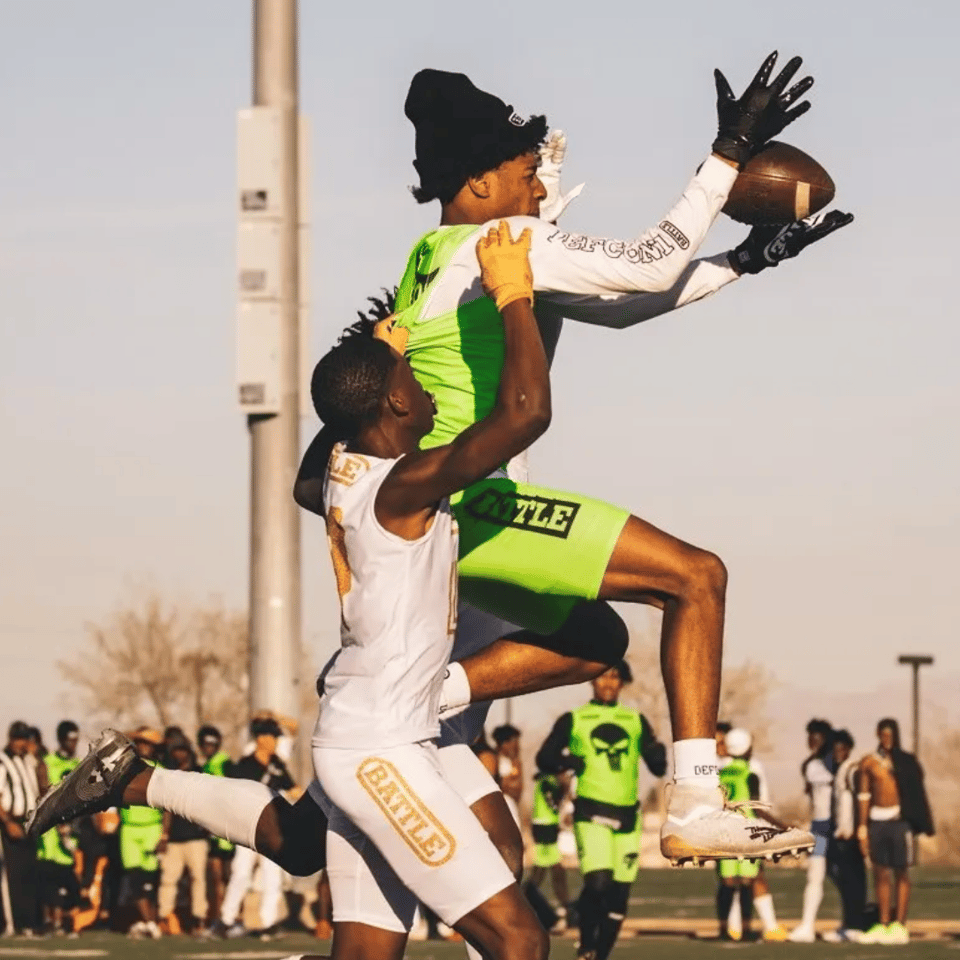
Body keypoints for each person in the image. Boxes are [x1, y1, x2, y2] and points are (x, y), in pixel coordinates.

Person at [357, 60, 849, 864]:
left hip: (446, 513)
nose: (542, 193)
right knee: (697, 576)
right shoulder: (500, 239)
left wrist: (744, 261)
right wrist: (726, 155)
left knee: (594, 643)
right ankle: (694, 798)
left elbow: (620, 307)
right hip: (471, 506)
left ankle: (423, 693)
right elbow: (650, 261)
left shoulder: (440, 250)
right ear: (480, 183)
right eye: (526, 175)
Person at [536, 660, 666, 960]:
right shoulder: (575, 719)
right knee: (598, 883)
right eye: (602, 676)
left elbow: (656, 766)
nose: (608, 683)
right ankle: (585, 945)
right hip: (591, 813)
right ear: (591, 681)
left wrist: (659, 757)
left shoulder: (635, 720)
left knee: (619, 897)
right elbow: (545, 758)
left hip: (628, 818)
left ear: (623, 683)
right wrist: (568, 762)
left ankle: (600, 955)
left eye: (615, 677)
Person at [857, 718, 934, 946]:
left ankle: (900, 923)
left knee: (901, 871)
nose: (886, 739)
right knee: (880, 873)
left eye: (890, 735)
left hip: (899, 822)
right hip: (877, 822)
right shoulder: (869, 762)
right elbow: (864, 795)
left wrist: (918, 821)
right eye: (883, 735)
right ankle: (883, 923)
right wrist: (862, 827)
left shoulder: (906, 761)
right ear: (877, 735)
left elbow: (915, 789)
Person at [217, 716, 295, 940]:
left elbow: (292, 787)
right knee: (241, 873)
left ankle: (268, 923)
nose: (275, 742)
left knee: (273, 876)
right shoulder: (244, 765)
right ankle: (226, 920)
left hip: (272, 830)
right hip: (248, 827)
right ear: (261, 738)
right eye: (272, 737)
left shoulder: (277, 765)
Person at [715, 728, 787, 943]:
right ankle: (745, 929)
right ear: (747, 749)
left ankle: (724, 930)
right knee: (747, 882)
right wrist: (782, 826)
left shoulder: (722, 773)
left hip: (724, 832)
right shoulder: (750, 773)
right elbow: (757, 808)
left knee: (727, 883)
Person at [156, 735, 209, 936]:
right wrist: (164, 835)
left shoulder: (199, 774)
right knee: (168, 879)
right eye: (175, 750)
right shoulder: (169, 775)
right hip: (175, 839)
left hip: (196, 837)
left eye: (182, 750)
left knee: (198, 879)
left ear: (189, 752)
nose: (179, 754)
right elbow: (167, 810)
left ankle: (199, 920)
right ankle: (164, 917)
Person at [788, 718, 835, 942]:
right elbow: (812, 798)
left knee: (844, 876)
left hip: (838, 827)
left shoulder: (835, 762)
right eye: (810, 736)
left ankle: (851, 923)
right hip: (819, 827)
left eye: (817, 736)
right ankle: (807, 925)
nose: (812, 741)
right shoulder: (808, 765)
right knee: (814, 874)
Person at [36, 721, 82, 935]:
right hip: (51, 827)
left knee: (68, 876)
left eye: (76, 740)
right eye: (71, 740)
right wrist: (58, 823)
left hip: (72, 826)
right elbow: (44, 793)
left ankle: (65, 920)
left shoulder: (79, 763)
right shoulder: (48, 762)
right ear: (62, 739)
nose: (74, 744)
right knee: (48, 876)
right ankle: (49, 920)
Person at [823, 729, 868, 942]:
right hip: (839, 832)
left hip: (849, 835)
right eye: (834, 749)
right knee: (840, 876)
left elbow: (860, 801)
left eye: (841, 749)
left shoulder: (853, 770)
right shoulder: (839, 769)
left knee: (854, 880)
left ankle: (856, 924)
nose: (837, 753)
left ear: (848, 749)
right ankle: (849, 921)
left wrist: (859, 829)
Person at [119, 727, 164, 939]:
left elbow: (169, 806)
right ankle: (149, 922)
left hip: (151, 829)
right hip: (129, 829)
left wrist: (164, 835)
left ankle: (150, 921)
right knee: (134, 878)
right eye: (141, 743)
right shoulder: (123, 769)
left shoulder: (160, 770)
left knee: (149, 881)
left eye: (148, 743)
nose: (144, 747)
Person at [0, 721, 41, 935]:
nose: (21, 744)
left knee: (28, 874)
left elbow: (42, 783)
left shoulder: (29, 761)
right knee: (12, 876)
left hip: (28, 822)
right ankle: (12, 923)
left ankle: (28, 922)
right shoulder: (2, 761)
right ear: (11, 738)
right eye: (18, 739)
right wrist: (7, 823)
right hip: (11, 821)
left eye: (25, 739)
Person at [525, 771, 571, 933]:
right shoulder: (548, 781)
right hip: (544, 828)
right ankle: (526, 903)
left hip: (547, 827)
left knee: (554, 871)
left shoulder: (548, 780)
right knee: (544, 872)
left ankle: (565, 908)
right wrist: (565, 789)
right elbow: (553, 804)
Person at [197, 725, 234, 923]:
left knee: (228, 874)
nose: (208, 747)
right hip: (212, 826)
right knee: (215, 875)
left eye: (212, 744)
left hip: (226, 826)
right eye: (205, 744)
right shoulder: (206, 766)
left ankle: (231, 916)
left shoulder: (225, 763)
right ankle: (217, 916)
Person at [492, 725, 523, 827]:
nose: (518, 746)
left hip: (512, 809)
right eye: (515, 742)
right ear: (505, 743)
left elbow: (518, 788)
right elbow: (504, 786)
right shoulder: (494, 762)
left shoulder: (514, 763)